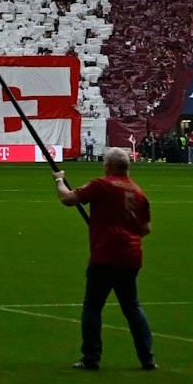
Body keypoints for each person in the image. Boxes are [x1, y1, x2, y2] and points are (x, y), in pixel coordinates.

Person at [54, 148, 156, 371]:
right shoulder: (138, 192)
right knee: (132, 307)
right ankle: (147, 358)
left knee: (92, 307)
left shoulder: (102, 184)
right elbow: (145, 228)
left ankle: (91, 357)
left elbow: (68, 199)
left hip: (104, 256)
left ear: (108, 166)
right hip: (131, 257)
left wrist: (60, 180)